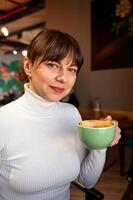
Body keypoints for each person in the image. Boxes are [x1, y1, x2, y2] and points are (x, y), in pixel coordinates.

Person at [0, 29, 121, 200]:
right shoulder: (3, 120)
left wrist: (99, 144)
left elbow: (87, 181)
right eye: (53, 65)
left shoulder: (71, 114)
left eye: (71, 69)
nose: (63, 78)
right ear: (28, 66)